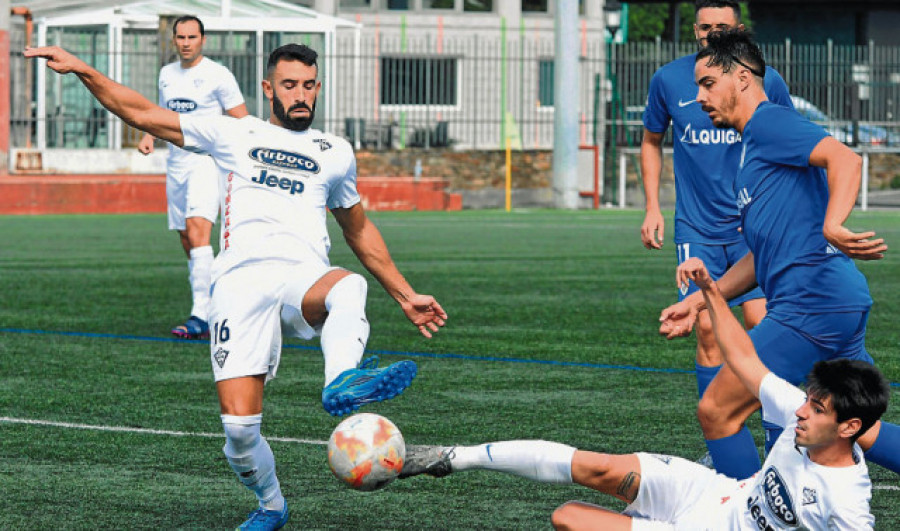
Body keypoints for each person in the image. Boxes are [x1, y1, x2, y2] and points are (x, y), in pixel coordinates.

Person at [27, 43, 448, 530]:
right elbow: (141, 112)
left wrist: (405, 294)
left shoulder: (335, 152)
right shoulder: (236, 132)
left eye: (309, 85)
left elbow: (357, 229)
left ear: (318, 88)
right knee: (239, 431)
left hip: (302, 275)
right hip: (240, 282)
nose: (300, 95)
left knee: (348, 287)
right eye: (289, 85)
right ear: (268, 89)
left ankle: (340, 382)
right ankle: (272, 506)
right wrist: (83, 69)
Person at [400, 259, 891, 530]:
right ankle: (448, 457)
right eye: (808, 399)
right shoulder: (799, 414)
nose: (801, 411)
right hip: (712, 492)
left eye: (817, 408)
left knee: (568, 519)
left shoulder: (848, 503)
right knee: (597, 467)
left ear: (849, 428)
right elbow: (744, 360)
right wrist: (711, 292)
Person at [658, 29, 899, 477]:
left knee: (718, 412)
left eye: (708, 83)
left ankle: (744, 518)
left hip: (810, 304)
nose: (698, 96)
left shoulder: (767, 122)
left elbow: (845, 158)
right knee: (855, 425)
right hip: (832, 302)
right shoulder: (751, 150)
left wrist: (833, 223)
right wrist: (697, 302)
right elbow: (759, 258)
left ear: (744, 79)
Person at [640, 0, 793, 477]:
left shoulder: (763, 80)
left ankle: (777, 443)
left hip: (754, 226)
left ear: (739, 30)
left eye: (721, 27)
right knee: (705, 326)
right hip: (698, 229)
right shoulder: (668, 79)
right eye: (704, 27)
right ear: (695, 30)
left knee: (761, 326)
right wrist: (652, 207)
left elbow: (788, 140)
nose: (711, 34)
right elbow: (650, 139)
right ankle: (725, 443)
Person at [138, 15, 249, 340]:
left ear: (203, 39)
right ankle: (219, 302)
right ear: (174, 40)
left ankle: (202, 314)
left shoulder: (218, 75)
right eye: (181, 37)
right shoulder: (166, 74)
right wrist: (148, 134)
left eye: (192, 37)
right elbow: (162, 113)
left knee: (199, 231)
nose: (186, 43)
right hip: (176, 164)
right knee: (187, 238)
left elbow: (240, 120)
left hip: (206, 163)